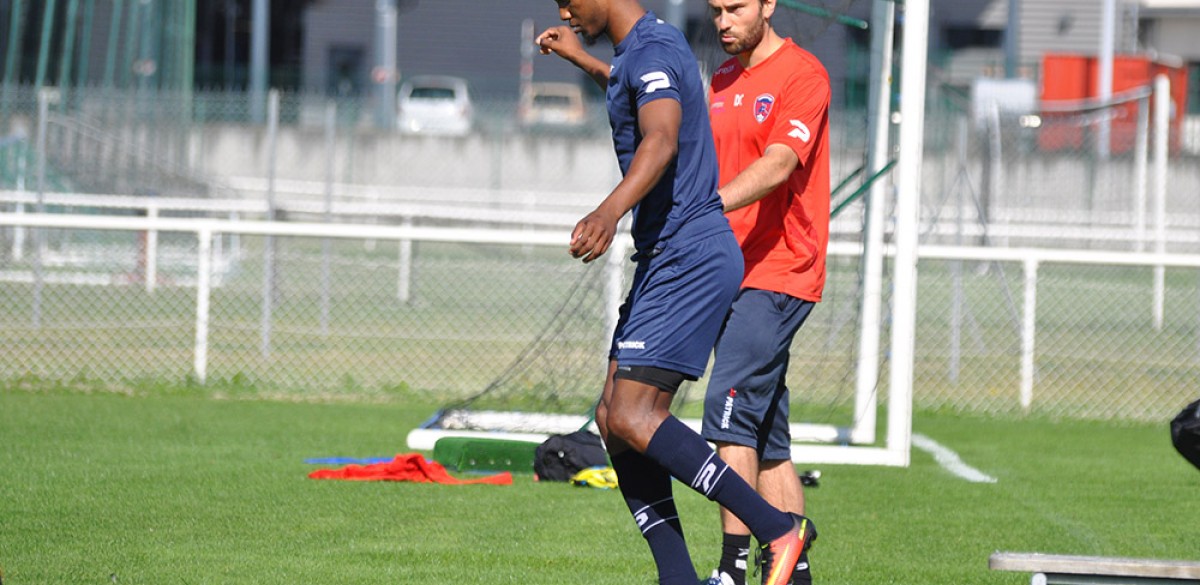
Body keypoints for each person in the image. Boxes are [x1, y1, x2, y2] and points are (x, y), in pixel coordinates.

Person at [535, 2, 815, 585]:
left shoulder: (656, 47)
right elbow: (631, 87)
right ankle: (678, 577)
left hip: (691, 254)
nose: (563, 8)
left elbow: (660, 139)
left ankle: (777, 530)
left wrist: (609, 212)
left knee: (638, 416)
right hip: (666, 253)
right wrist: (580, 57)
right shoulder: (641, 52)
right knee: (612, 418)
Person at [699, 1, 832, 584]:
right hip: (732, 271)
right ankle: (793, 572)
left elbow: (779, 163)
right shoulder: (723, 78)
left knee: (725, 414)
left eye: (735, 7)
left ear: (769, 5)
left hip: (780, 272)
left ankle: (731, 573)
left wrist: (711, 206)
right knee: (764, 437)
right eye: (715, 10)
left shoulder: (805, 76)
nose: (723, 20)